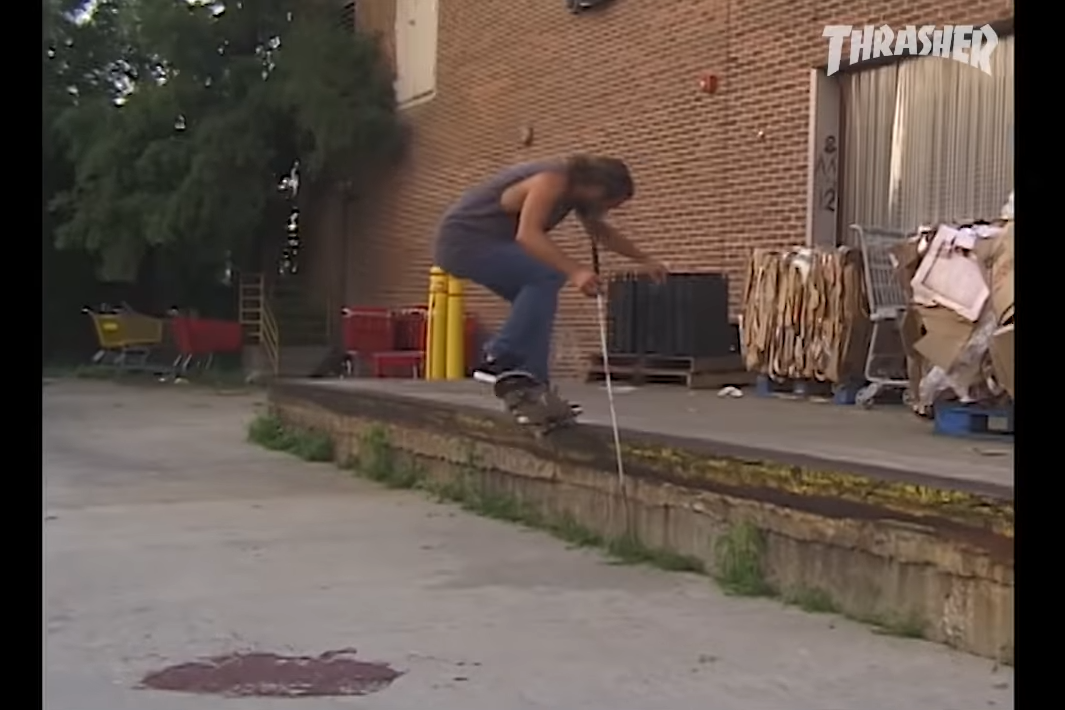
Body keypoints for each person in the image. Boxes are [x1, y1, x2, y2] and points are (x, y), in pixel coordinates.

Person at [433, 155, 667, 386]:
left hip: (487, 242)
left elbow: (601, 233)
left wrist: (645, 259)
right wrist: (576, 271)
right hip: (463, 240)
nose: (605, 210)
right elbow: (528, 235)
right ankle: (500, 357)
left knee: (538, 302)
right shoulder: (552, 179)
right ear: (597, 188)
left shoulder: (575, 194)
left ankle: (533, 377)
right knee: (546, 274)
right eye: (608, 204)